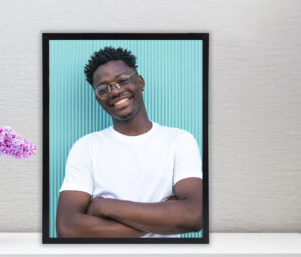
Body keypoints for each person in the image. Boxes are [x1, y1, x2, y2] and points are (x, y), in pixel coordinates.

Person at [56, 46, 203, 238]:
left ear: (140, 82)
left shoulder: (179, 140)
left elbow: (194, 216)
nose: (115, 91)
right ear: (98, 99)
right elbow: (67, 229)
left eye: (122, 81)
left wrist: (104, 206)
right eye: (103, 89)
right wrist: (167, 216)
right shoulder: (86, 147)